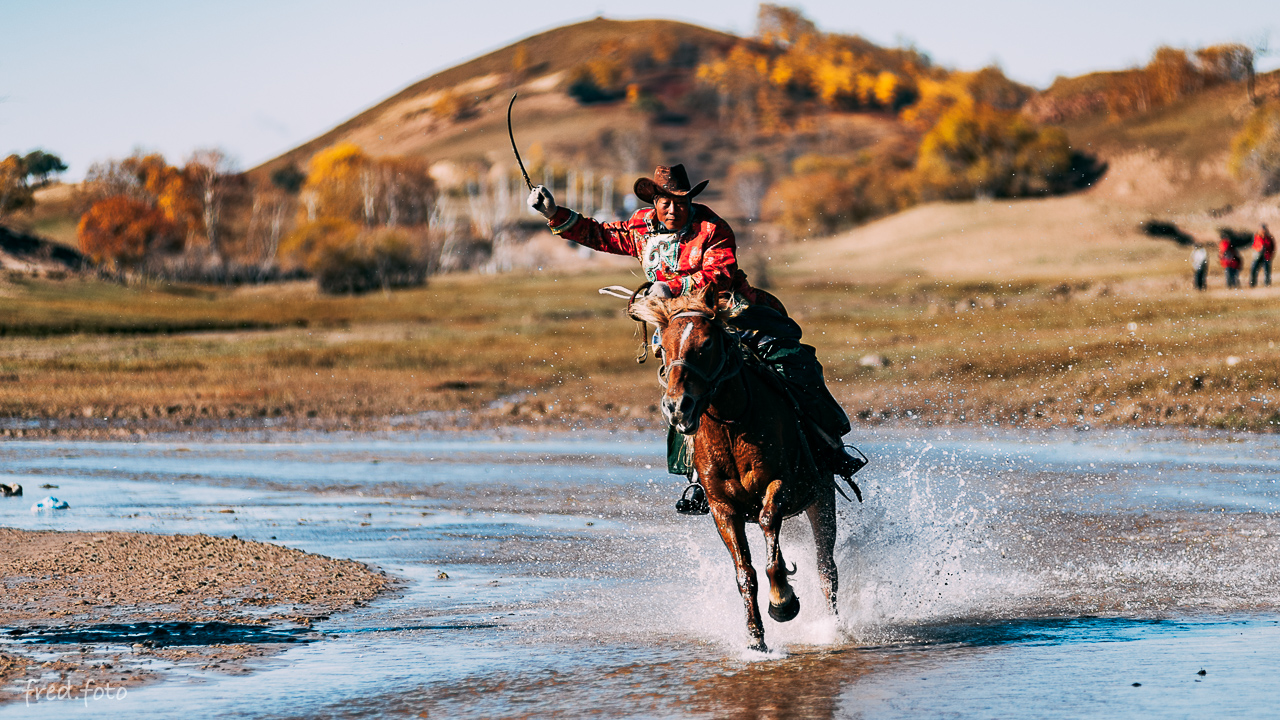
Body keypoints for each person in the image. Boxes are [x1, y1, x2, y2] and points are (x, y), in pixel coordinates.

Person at [527, 164, 862, 515]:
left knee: (795, 359)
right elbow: (600, 235)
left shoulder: (712, 228)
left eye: (681, 202)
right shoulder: (641, 226)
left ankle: (829, 446)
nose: (674, 209)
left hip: (732, 313)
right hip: (677, 327)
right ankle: (699, 479)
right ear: (654, 201)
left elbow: (721, 272)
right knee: (679, 392)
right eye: (665, 202)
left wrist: (672, 286)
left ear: (690, 200)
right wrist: (553, 212)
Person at [1251, 224, 1274, 288]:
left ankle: (1267, 285)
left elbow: (1272, 247)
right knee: (1254, 270)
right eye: (1262, 229)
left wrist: (1270, 255)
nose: (1263, 230)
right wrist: (1258, 248)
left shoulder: (1269, 237)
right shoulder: (1256, 236)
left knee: (1267, 271)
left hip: (1266, 256)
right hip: (1257, 256)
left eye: (1264, 229)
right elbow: (1253, 245)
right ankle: (1253, 284)